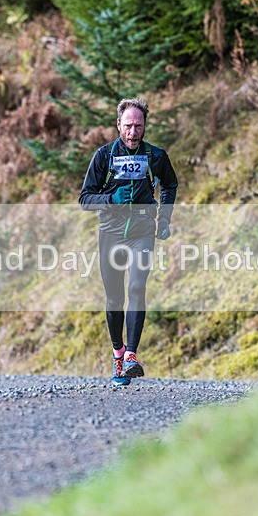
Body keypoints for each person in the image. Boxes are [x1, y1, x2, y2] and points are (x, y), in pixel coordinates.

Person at [79, 98, 178, 386]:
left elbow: (170, 184)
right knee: (114, 299)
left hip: (142, 231)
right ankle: (118, 354)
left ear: (145, 126)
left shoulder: (156, 156)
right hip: (111, 231)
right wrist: (111, 199)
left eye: (138, 126)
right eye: (128, 126)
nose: (133, 132)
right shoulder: (104, 156)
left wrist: (164, 218)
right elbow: (85, 199)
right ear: (118, 125)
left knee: (136, 287)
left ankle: (132, 355)